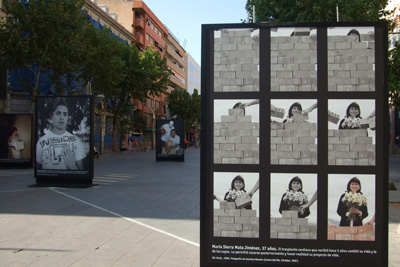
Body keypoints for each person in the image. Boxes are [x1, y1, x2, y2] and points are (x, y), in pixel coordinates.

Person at [36, 98, 86, 170]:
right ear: (51, 116)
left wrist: (72, 166)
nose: (62, 118)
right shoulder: (42, 141)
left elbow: (81, 172)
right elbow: (38, 169)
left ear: (68, 118)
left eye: (65, 114)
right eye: (58, 113)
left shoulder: (76, 141)